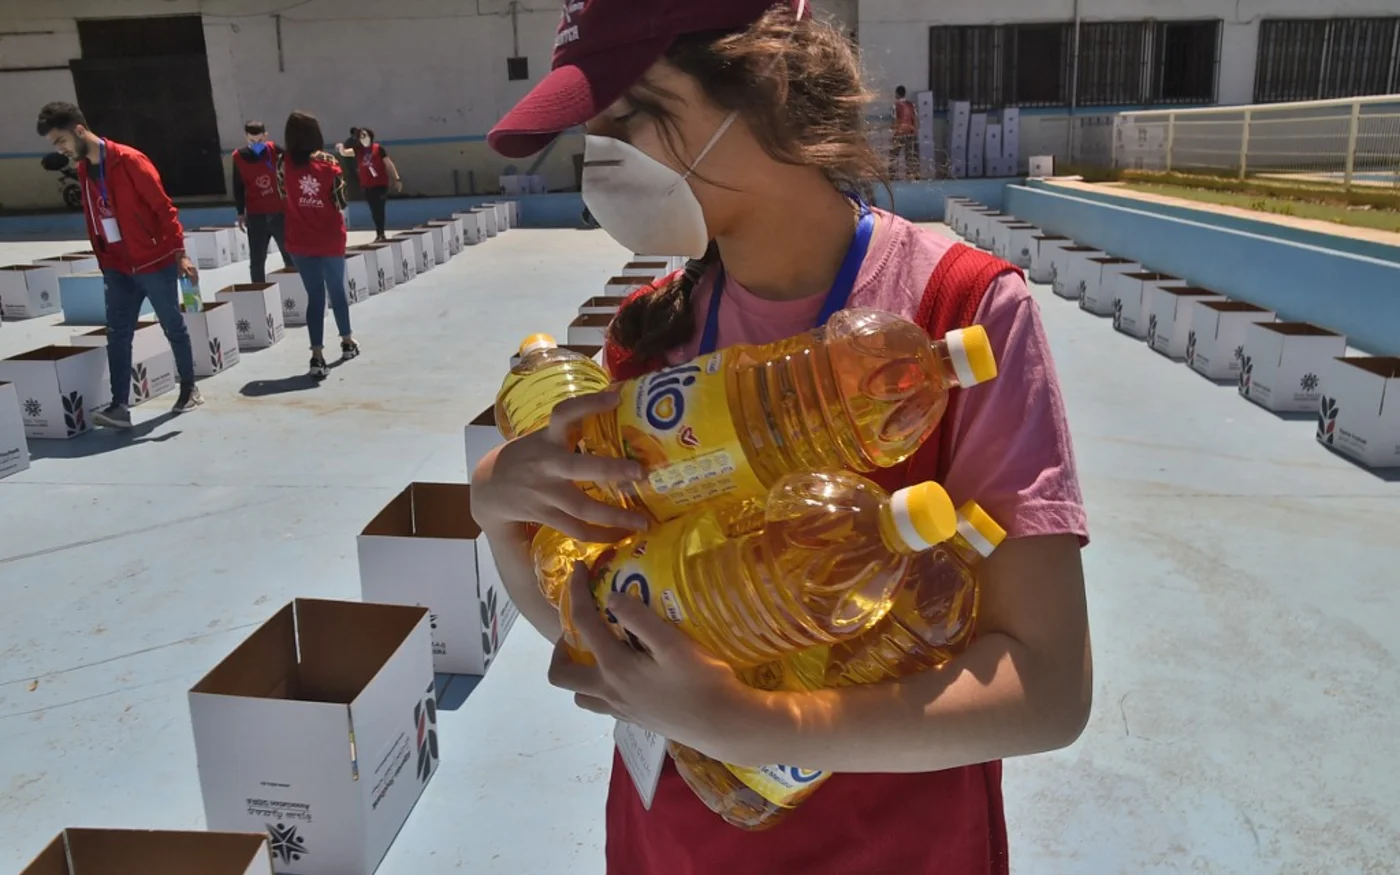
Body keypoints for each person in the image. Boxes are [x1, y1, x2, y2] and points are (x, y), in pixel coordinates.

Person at [474, 1, 1092, 874]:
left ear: (759, 82)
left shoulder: (958, 315)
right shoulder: (648, 337)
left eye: (632, 113)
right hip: (673, 843)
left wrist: (766, 726)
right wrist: (500, 517)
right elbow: (609, 631)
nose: (600, 157)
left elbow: (1047, 689)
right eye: (592, 129)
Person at [36, 101, 203, 428]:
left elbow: (164, 208)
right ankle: (119, 406)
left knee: (173, 325)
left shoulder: (130, 161)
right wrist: (104, 259)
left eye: (61, 141)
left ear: (79, 131)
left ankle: (189, 387)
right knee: (118, 334)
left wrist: (179, 252)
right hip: (117, 266)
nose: (61, 149)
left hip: (153, 261)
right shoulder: (84, 168)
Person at [280, 110, 359, 378]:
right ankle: (347, 342)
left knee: (315, 297)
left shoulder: (283, 163)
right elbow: (341, 201)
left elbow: (283, 194)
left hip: (299, 240)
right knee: (337, 291)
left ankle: (316, 356)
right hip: (329, 238)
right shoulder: (328, 162)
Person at [232, 120, 288, 284]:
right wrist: (240, 212)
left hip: (279, 212)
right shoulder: (238, 157)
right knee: (257, 260)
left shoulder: (275, 150)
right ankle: (258, 291)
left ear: (265, 136)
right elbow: (238, 186)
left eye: (260, 140)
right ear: (246, 138)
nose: (256, 144)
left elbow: (293, 166)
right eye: (252, 141)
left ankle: (297, 288)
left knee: (291, 255)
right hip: (256, 215)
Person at [337, 126, 401, 241]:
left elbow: (389, 164)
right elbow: (345, 153)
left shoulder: (378, 149)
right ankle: (379, 232)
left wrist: (396, 179)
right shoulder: (358, 150)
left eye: (364, 135)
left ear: (370, 136)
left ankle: (380, 233)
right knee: (373, 209)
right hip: (367, 185)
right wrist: (341, 148)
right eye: (360, 136)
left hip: (380, 184)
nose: (363, 137)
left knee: (379, 208)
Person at [891, 84, 920, 180]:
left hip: (900, 133)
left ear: (897, 94)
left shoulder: (895, 106)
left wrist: (894, 131)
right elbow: (915, 118)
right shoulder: (911, 105)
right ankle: (911, 175)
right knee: (910, 155)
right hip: (911, 132)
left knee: (893, 154)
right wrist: (914, 130)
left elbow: (895, 120)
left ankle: (893, 175)